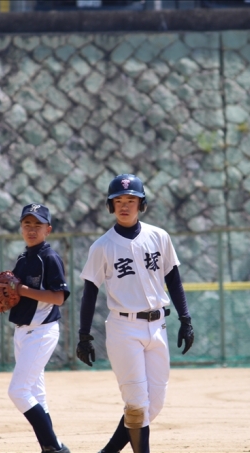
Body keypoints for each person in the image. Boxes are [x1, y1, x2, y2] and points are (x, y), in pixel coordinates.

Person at [76, 173, 195, 453]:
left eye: (131, 200)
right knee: (137, 404)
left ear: (141, 204)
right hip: (124, 329)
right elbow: (90, 292)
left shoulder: (159, 236)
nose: (124, 206)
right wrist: (84, 336)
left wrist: (186, 319)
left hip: (158, 326)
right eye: (118, 201)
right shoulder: (102, 246)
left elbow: (173, 279)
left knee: (154, 404)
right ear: (110, 206)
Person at [5, 203, 71, 453]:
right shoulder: (23, 258)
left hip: (41, 331)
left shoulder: (49, 258)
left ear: (48, 229)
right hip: (22, 331)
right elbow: (16, 293)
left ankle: (55, 447)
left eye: (37, 225)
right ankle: (50, 447)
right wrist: (8, 297)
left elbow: (59, 297)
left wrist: (21, 290)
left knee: (18, 391)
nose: (32, 229)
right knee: (36, 394)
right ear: (21, 228)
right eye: (27, 224)